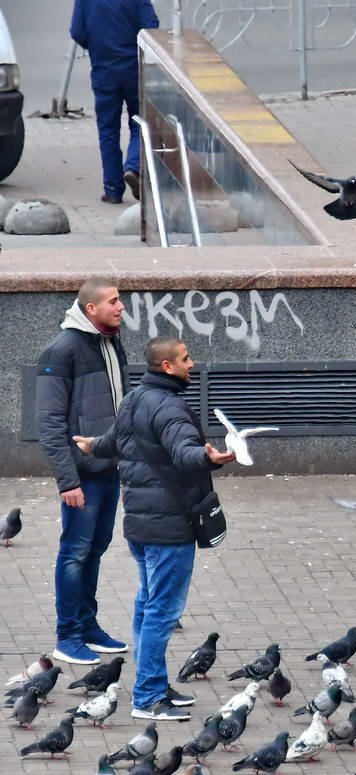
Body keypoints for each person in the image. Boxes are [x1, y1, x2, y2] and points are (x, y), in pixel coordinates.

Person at [74, 337, 236, 721]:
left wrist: (91, 446)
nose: (191, 364)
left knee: (148, 604)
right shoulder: (171, 407)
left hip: (140, 526)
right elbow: (183, 453)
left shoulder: (134, 399)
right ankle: (147, 697)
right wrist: (209, 457)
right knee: (162, 611)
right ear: (167, 367)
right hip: (170, 529)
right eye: (185, 359)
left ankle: (155, 682)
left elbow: (114, 441)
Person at [36, 279, 130, 666]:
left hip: (110, 467)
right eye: (113, 301)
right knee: (74, 551)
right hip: (82, 475)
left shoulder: (109, 341)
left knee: (95, 548)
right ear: (91, 309)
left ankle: (88, 626)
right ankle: (68, 636)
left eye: (120, 299)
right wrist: (67, 480)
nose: (121, 306)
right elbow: (49, 422)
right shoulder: (62, 350)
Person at [70, 0, 159, 203]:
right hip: (134, 67)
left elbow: (77, 31)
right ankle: (133, 167)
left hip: (103, 68)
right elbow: (150, 25)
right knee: (140, 121)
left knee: (108, 129)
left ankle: (113, 189)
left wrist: (96, 45)